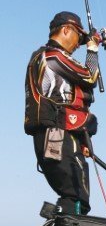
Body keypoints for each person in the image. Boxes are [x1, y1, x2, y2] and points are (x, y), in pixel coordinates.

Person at [25, 11, 101, 215]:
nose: (80, 44)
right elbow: (90, 76)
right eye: (79, 36)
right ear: (66, 30)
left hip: (56, 133)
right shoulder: (52, 56)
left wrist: (83, 140)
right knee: (76, 194)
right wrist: (93, 49)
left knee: (74, 193)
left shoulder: (44, 56)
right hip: (57, 132)